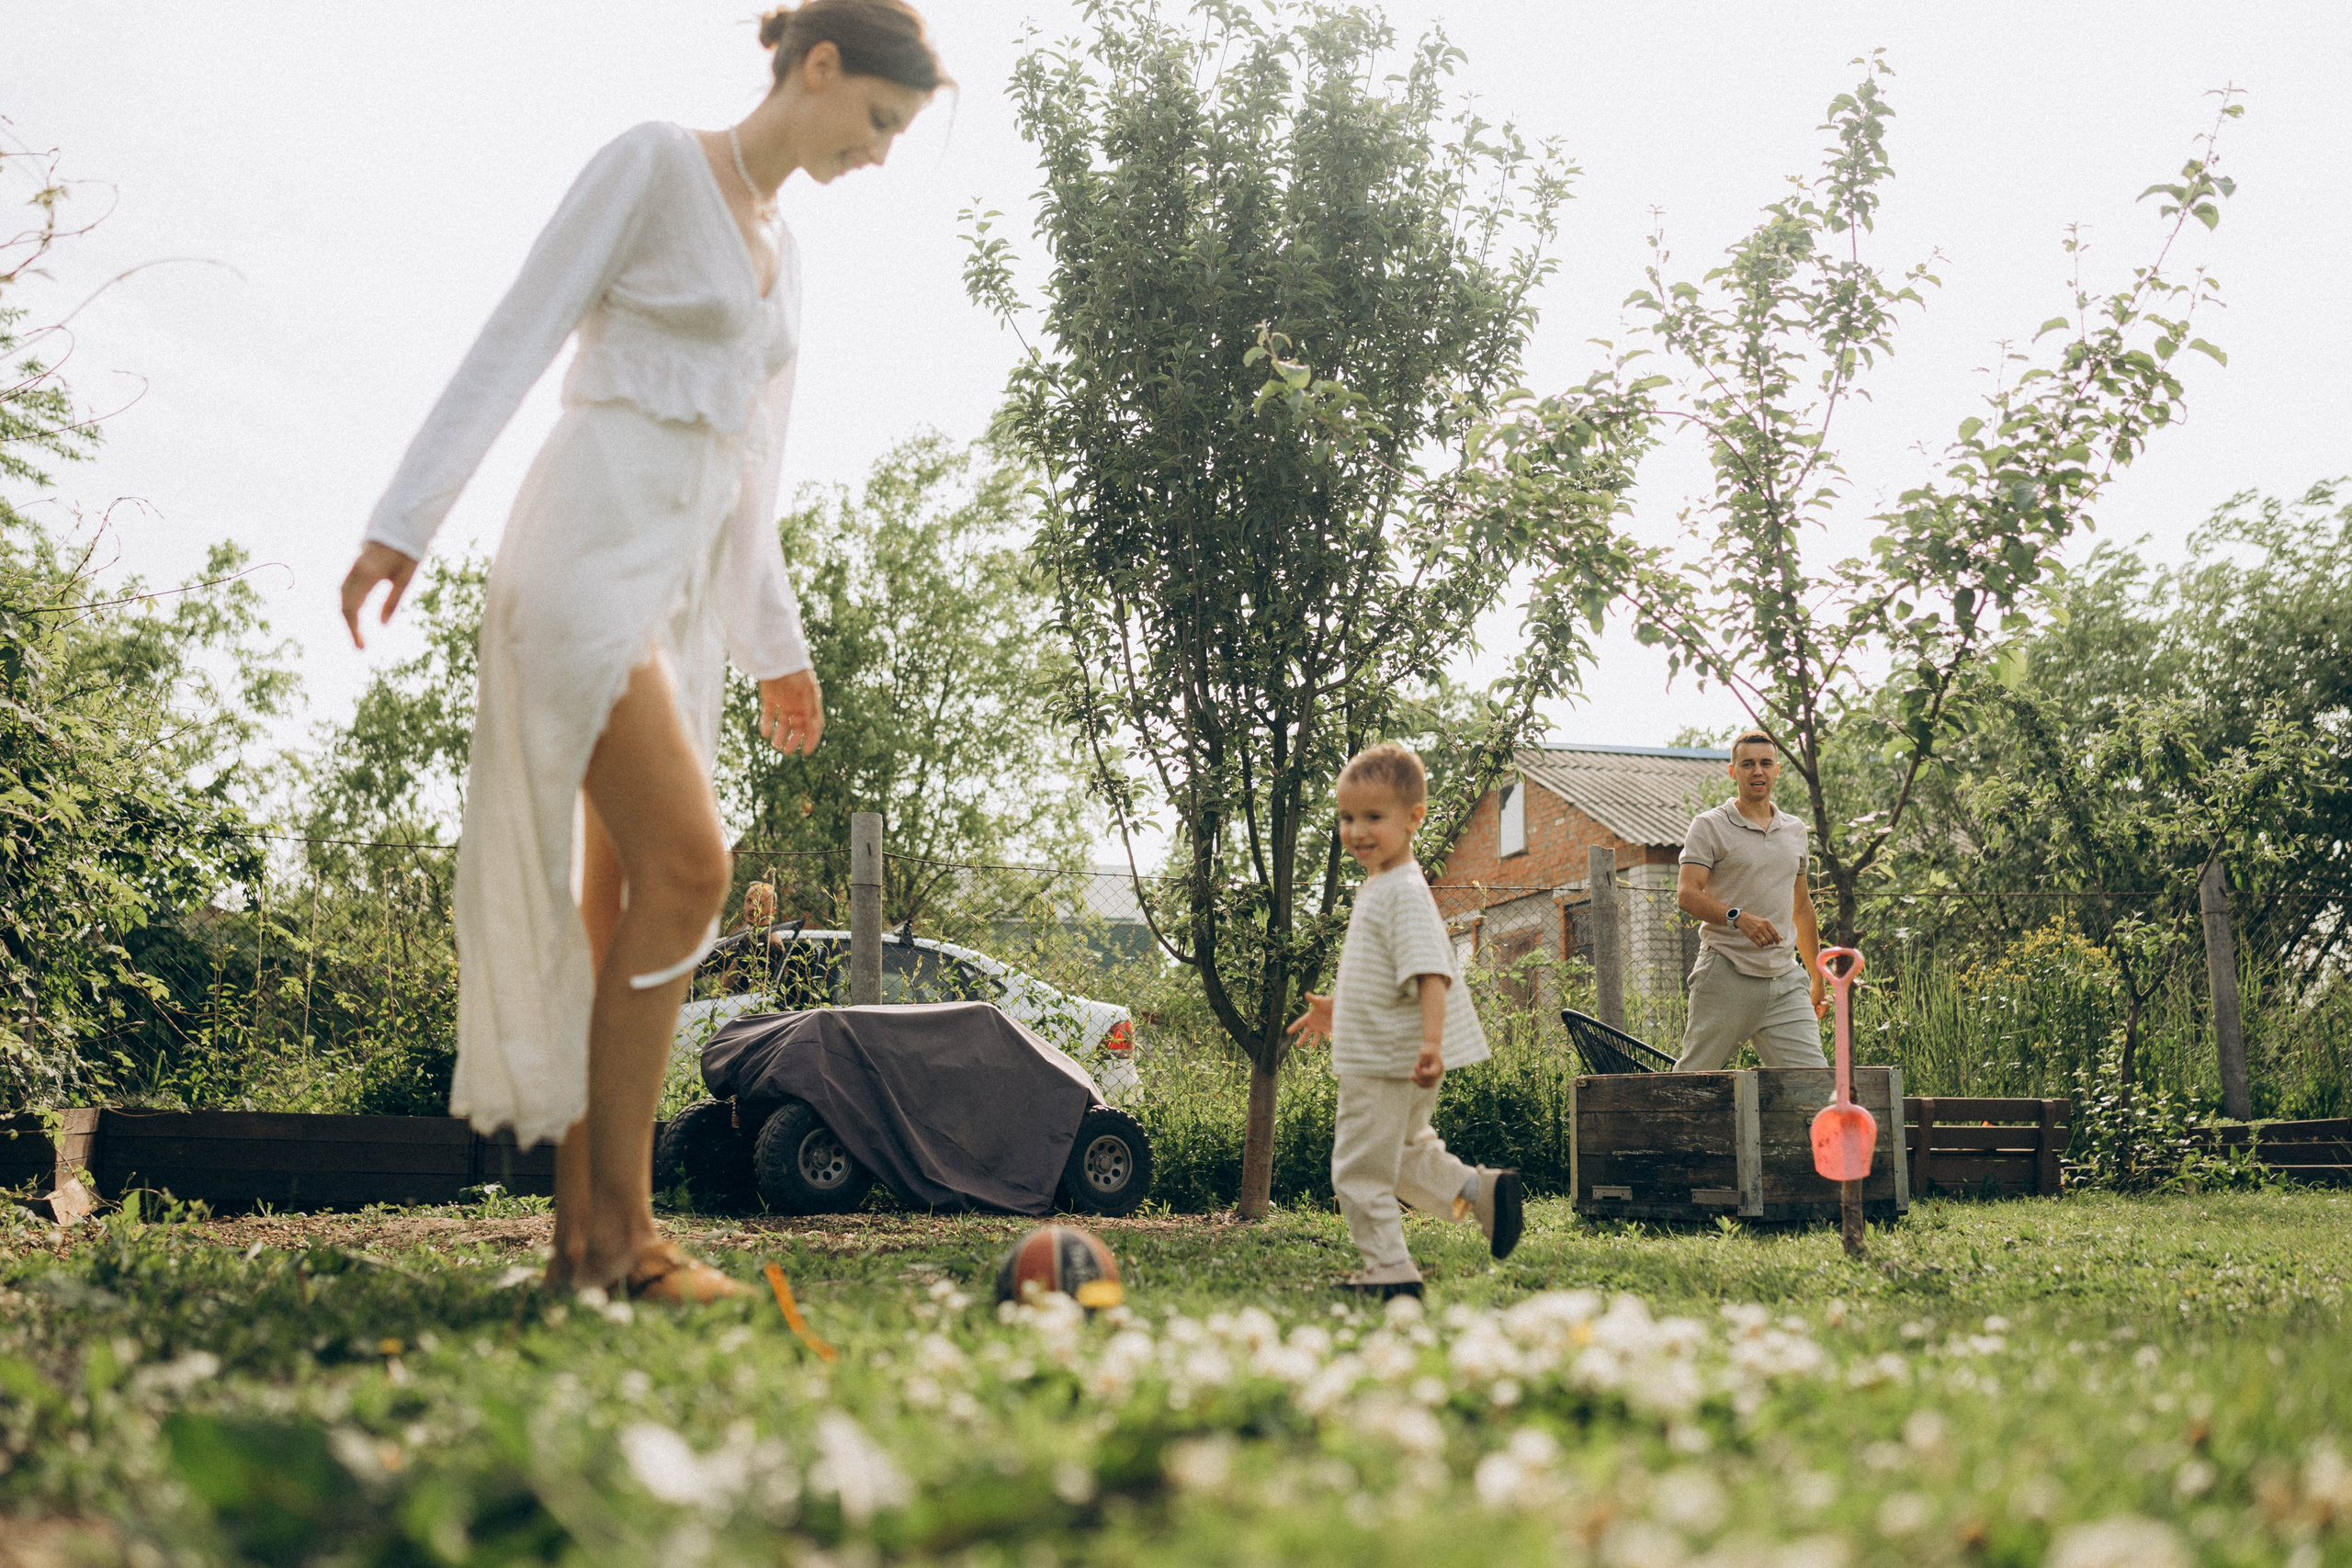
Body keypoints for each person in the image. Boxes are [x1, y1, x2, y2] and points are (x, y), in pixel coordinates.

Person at [337, 1, 947, 1302]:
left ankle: (587, 1248)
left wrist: (773, 641)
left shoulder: (787, 255)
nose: (881, 153)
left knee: (621, 907)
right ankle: (626, 1236)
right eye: (880, 120)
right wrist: (402, 524)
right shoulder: (657, 163)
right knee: (692, 869)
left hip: (672, 602)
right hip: (578, 561)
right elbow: (516, 331)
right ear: (819, 66)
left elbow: (754, 470)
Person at [1288, 744, 1524, 1298]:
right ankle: (1480, 1192)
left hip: (1387, 1063)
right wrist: (1338, 1008)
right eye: (1347, 817)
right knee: (1402, 1155)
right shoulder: (1383, 886)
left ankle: (1390, 1268)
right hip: (1395, 1056)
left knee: (1358, 1169)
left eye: (1374, 816)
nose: (1356, 831)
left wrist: (1432, 1044)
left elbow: (1430, 974)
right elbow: (1387, 978)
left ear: (1414, 817)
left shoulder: (1402, 892)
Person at [1671, 730, 1829, 1071]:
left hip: (1785, 981)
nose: (1757, 771)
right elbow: (1687, 894)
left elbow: (1802, 907)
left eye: (1765, 763)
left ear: (1777, 771)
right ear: (1733, 771)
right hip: (1727, 974)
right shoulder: (1709, 826)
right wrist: (1738, 917)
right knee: (1693, 1082)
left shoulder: (1794, 830)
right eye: (1747, 764)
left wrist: (1816, 977)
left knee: (1814, 1086)